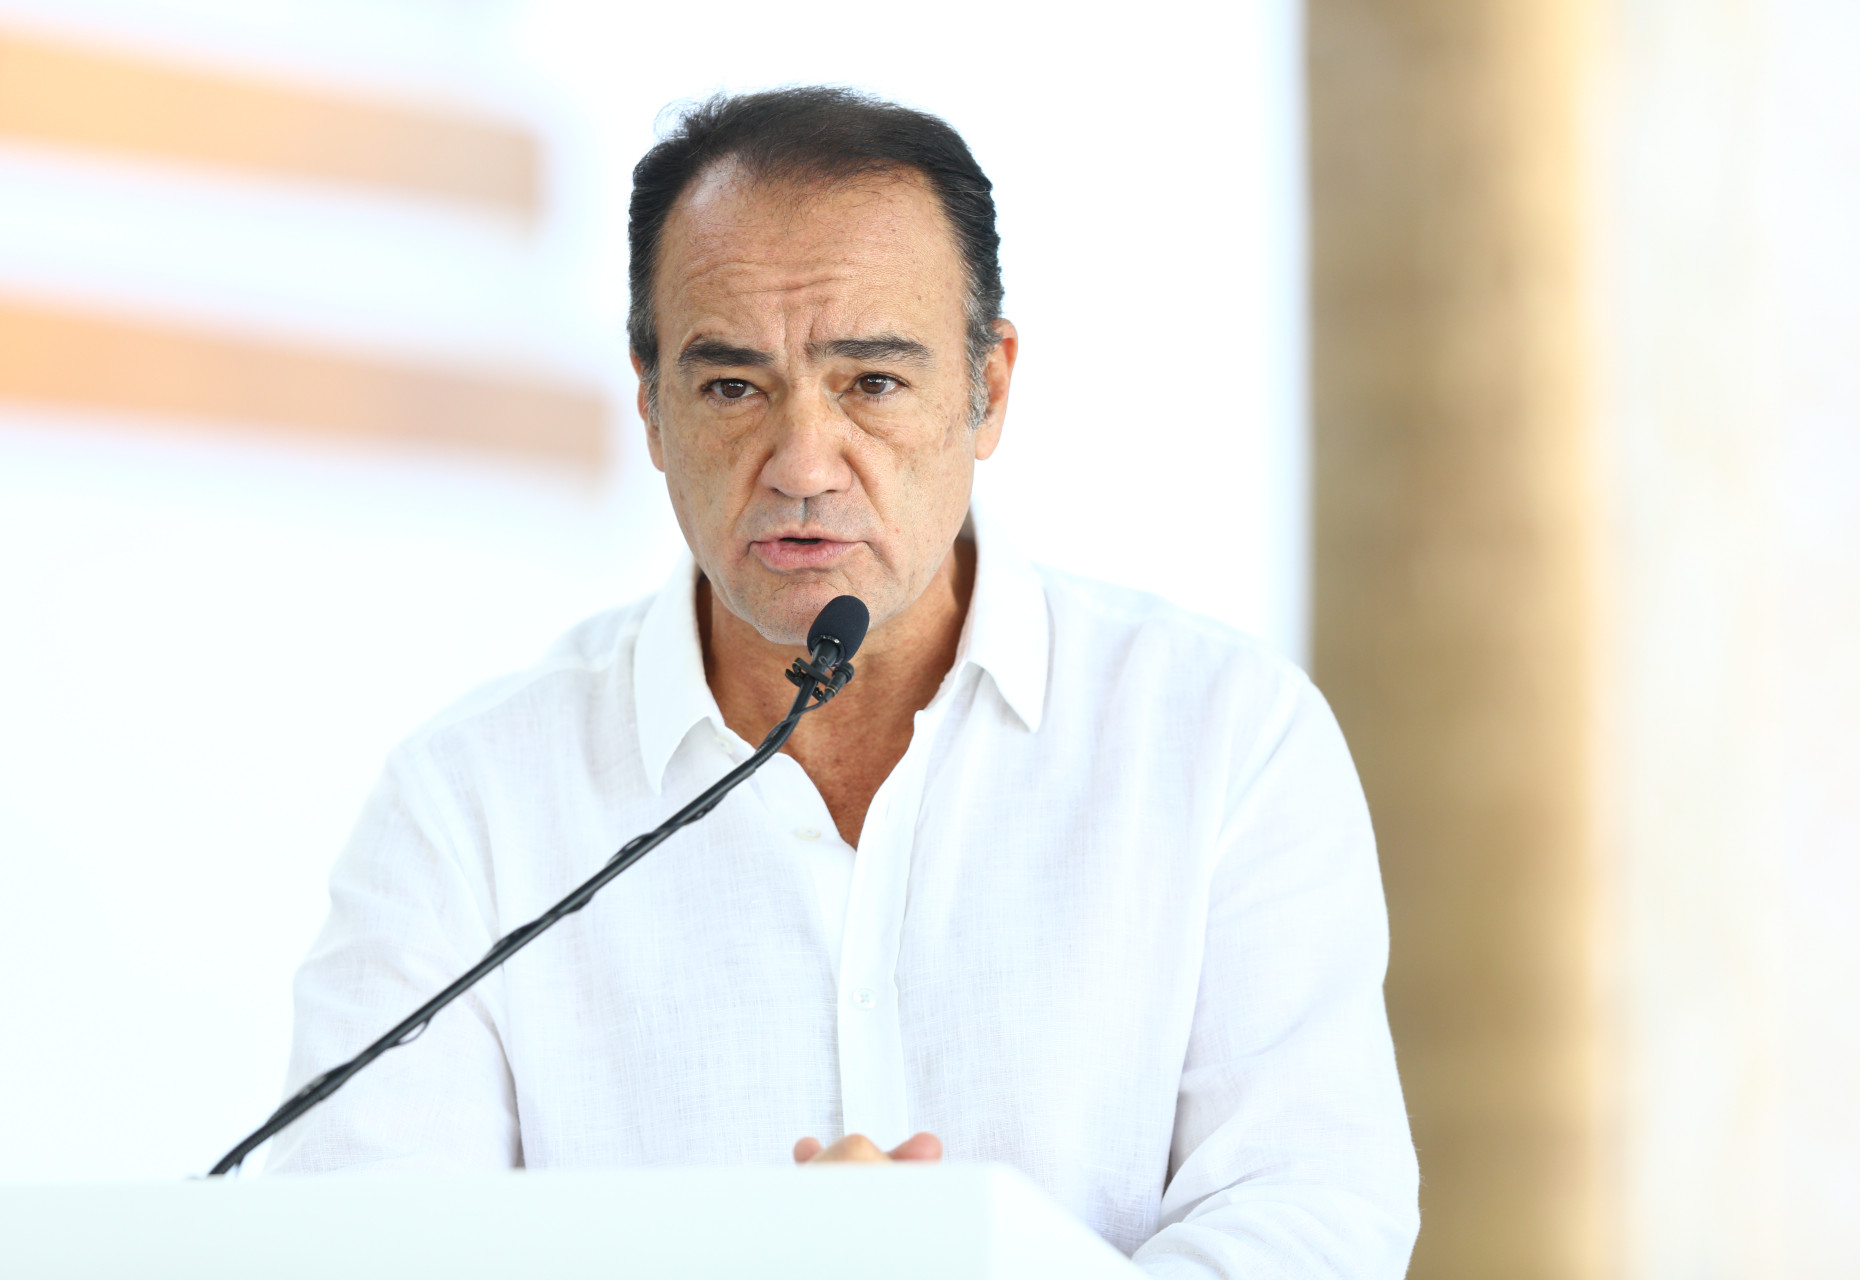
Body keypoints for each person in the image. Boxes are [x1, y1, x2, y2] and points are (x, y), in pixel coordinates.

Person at [268, 87, 1419, 1276]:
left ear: (989, 388)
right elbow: (360, 1245)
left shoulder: (1224, 736)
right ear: (650, 404)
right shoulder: (470, 804)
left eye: (871, 382)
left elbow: (1310, 1222)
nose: (804, 465)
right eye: (732, 386)